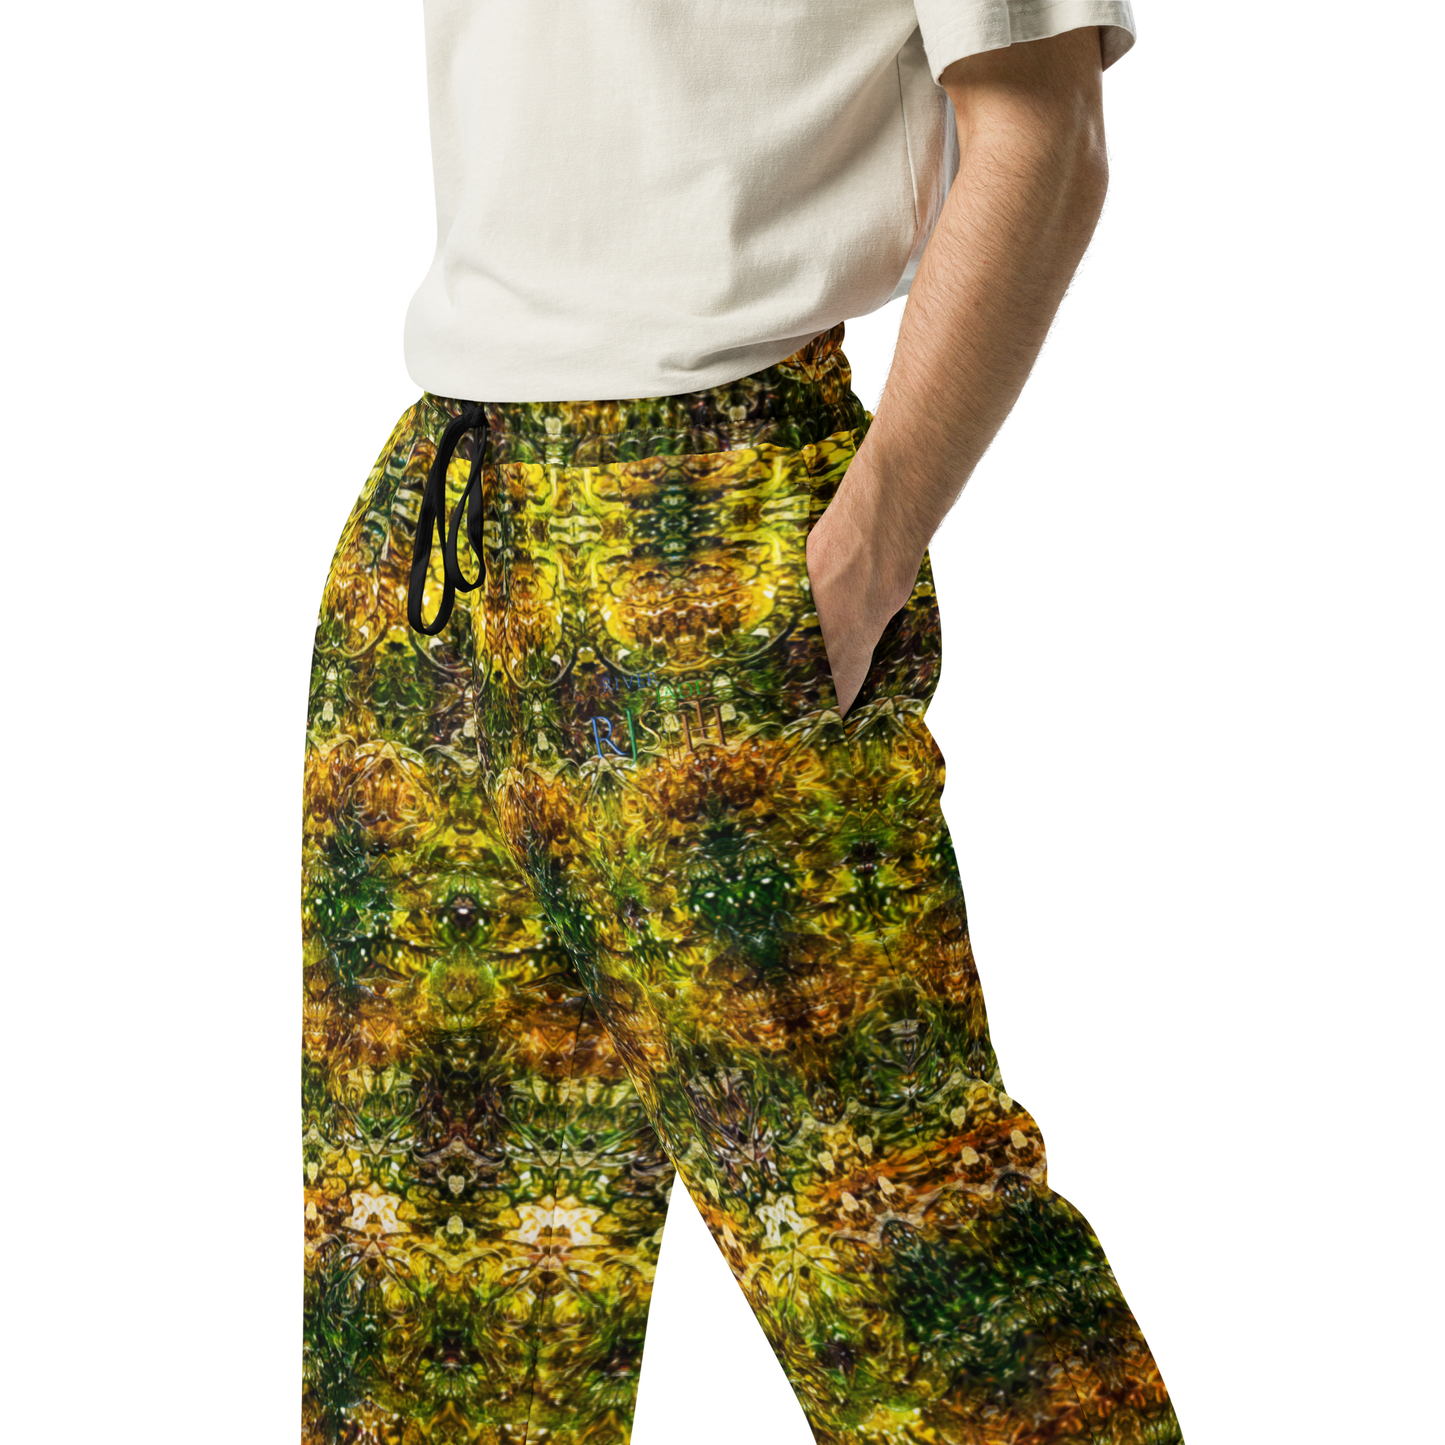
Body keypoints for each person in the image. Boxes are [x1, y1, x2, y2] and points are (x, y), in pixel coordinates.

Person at [298, 4, 1186, 1442]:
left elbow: (1043, 126)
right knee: (422, 1283)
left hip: (711, 519)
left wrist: (869, 548)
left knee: (899, 1242)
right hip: (437, 522)